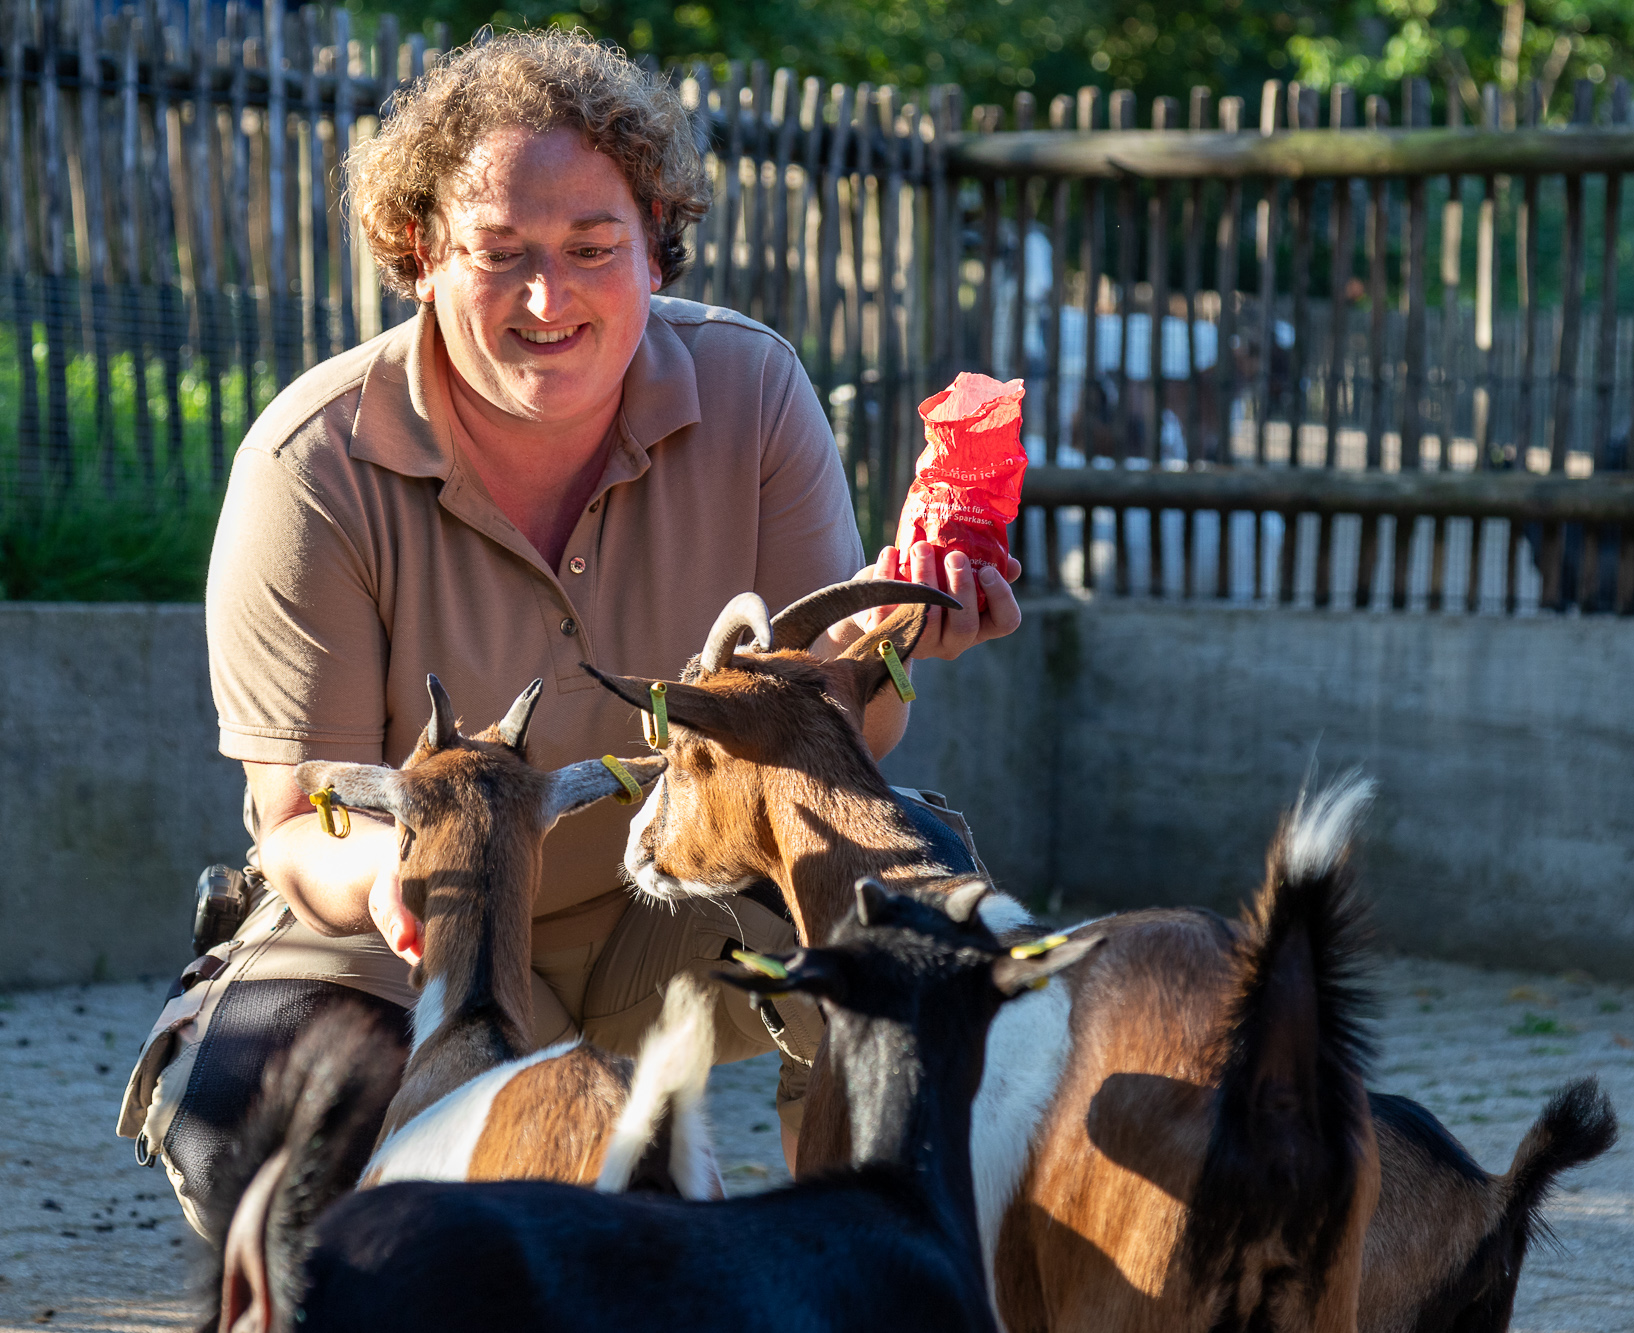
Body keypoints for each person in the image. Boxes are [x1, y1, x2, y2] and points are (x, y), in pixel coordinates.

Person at [115, 29, 1021, 1239]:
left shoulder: (753, 393)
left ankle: (855, 1265)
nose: (550, 299)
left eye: (593, 247)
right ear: (421, 251)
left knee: (924, 953)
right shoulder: (310, 464)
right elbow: (293, 831)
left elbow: (834, 738)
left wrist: (903, 638)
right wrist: (391, 877)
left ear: (655, 240)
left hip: (680, 892)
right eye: (501, 254)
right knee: (254, 1117)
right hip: (423, 924)